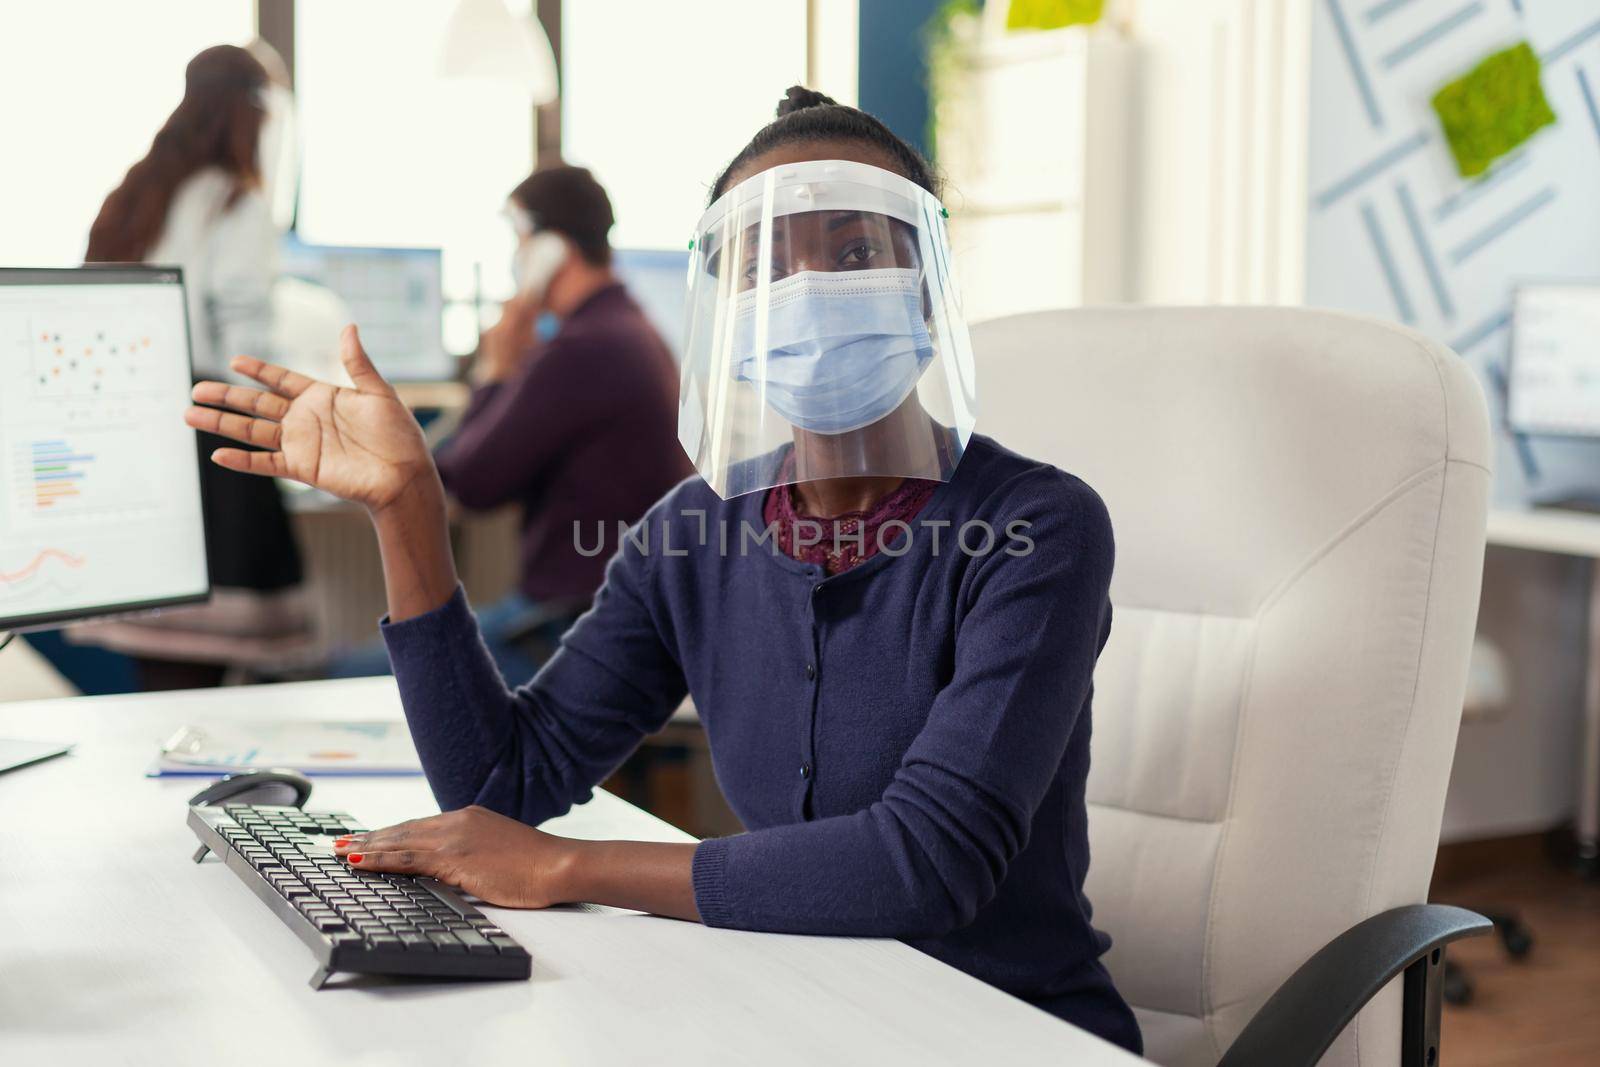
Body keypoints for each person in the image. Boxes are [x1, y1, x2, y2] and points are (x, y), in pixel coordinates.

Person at [185, 87, 1141, 1053]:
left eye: (854, 252)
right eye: (766, 267)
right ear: (729, 308)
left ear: (928, 282)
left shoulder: (1037, 529)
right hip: (805, 1015)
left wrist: (568, 865)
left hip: (1014, 1033)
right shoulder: (690, 534)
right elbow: (502, 780)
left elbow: (927, 862)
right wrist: (408, 510)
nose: (806, 291)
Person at [332, 165, 688, 681]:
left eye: (520, 241)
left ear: (551, 251)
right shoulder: (629, 330)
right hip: (609, 617)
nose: (515, 260)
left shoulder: (583, 349)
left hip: (568, 630)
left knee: (337, 673)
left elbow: (469, 482)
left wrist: (495, 368)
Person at [85, 44, 305, 689]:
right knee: (210, 672)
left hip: (130, 437)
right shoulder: (232, 203)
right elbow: (247, 351)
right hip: (210, 439)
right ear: (252, 112)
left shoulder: (132, 193)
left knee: (157, 662)